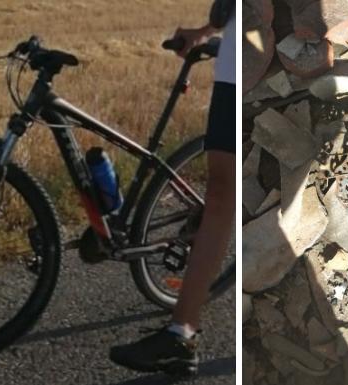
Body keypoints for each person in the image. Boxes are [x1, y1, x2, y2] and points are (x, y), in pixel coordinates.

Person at [109, 2, 236, 377]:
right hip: (238, 60)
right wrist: (206, 30)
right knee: (222, 195)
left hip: (254, 58)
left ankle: (183, 336)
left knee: (226, 194)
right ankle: (180, 335)